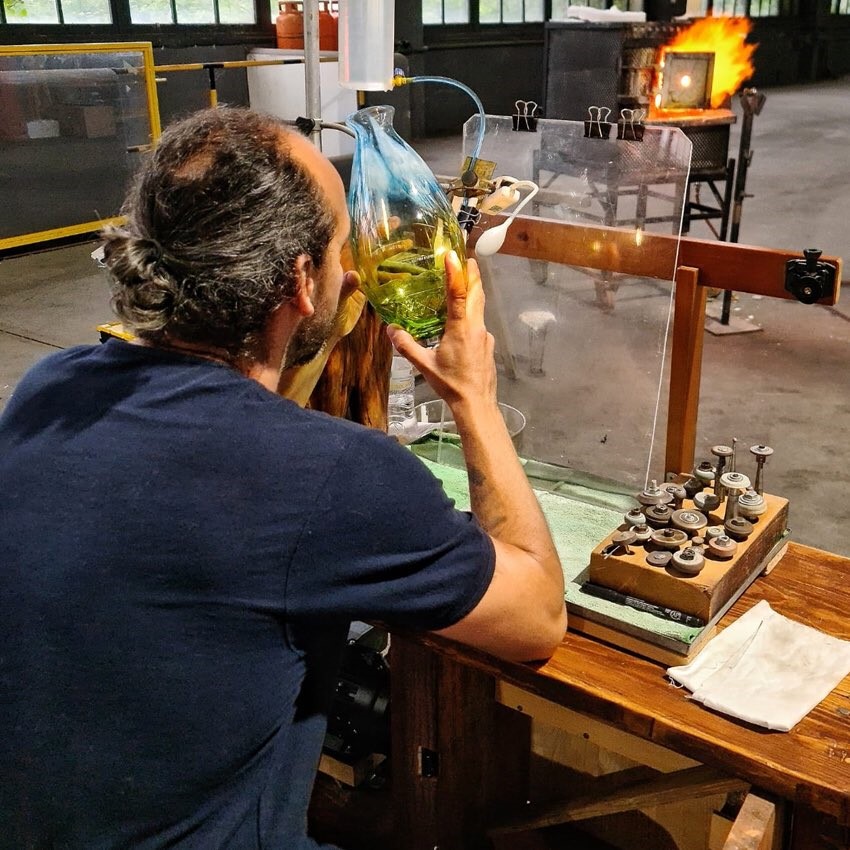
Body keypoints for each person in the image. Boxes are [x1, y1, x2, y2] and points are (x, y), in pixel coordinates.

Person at [0, 107, 565, 849]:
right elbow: (535, 619)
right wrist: (475, 398)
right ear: (303, 278)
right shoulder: (333, 475)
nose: (353, 269)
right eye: (339, 249)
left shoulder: (49, 386)